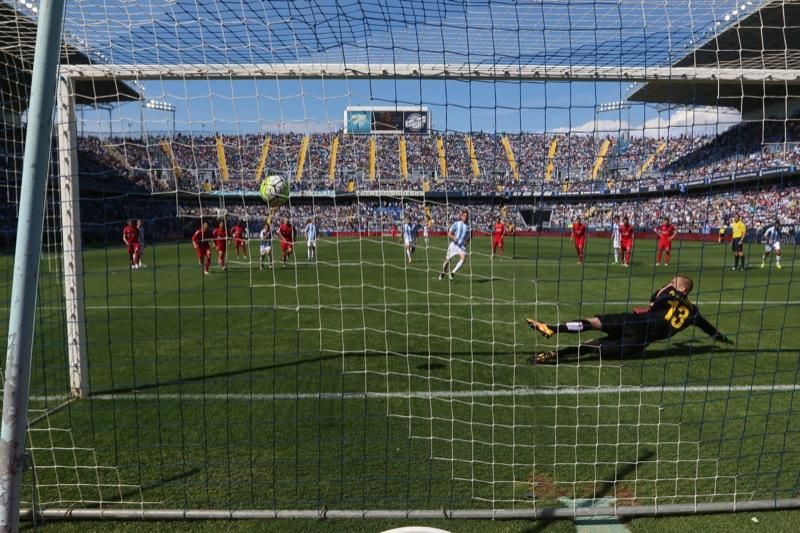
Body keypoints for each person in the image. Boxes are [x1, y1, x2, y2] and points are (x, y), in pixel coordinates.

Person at [525, 275, 732, 364]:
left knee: (594, 323)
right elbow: (709, 329)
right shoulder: (694, 312)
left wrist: (668, 287)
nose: (670, 282)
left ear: (682, 288)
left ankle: (552, 328)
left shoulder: (668, 295)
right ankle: (553, 356)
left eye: (673, 281)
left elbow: (653, 299)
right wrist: (722, 339)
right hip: (641, 342)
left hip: (635, 322)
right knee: (591, 347)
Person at [438, 210, 470, 280]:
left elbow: (469, 236)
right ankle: (443, 272)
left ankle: (452, 272)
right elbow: (449, 233)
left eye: (466, 216)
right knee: (447, 261)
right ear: (461, 217)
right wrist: (453, 237)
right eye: (464, 216)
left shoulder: (468, 227)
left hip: (461, 246)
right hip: (453, 245)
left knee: (464, 258)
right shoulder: (456, 223)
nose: (465, 217)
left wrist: (466, 242)